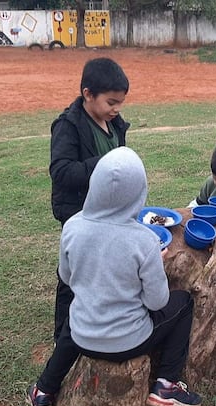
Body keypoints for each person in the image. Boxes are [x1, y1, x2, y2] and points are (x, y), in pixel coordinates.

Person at [27, 147, 203, 406]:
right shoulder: (144, 240)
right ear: (139, 192)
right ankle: (167, 383)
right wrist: (155, 262)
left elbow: (66, 277)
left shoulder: (73, 226)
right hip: (129, 341)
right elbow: (157, 301)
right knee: (183, 303)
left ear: (94, 184)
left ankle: (44, 390)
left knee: (78, 317)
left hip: (82, 336)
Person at [49, 57, 130, 341]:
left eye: (120, 102)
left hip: (108, 211)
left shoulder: (116, 124)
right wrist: (104, 163)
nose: (116, 109)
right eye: (111, 102)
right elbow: (60, 172)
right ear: (88, 94)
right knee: (73, 274)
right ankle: (63, 335)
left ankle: (95, 319)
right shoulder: (68, 126)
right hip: (77, 212)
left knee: (103, 266)